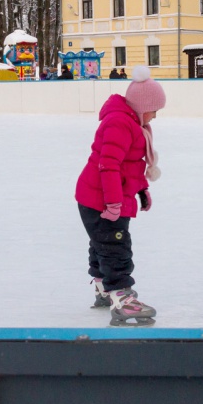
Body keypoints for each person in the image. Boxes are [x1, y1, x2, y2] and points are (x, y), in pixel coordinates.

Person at [74, 65, 165, 326]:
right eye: (154, 109)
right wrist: (113, 202)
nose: (156, 116)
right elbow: (109, 164)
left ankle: (104, 290)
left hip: (98, 196)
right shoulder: (120, 123)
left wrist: (141, 190)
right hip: (101, 198)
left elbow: (128, 165)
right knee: (115, 246)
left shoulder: (130, 121)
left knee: (102, 242)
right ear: (142, 104)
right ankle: (122, 298)